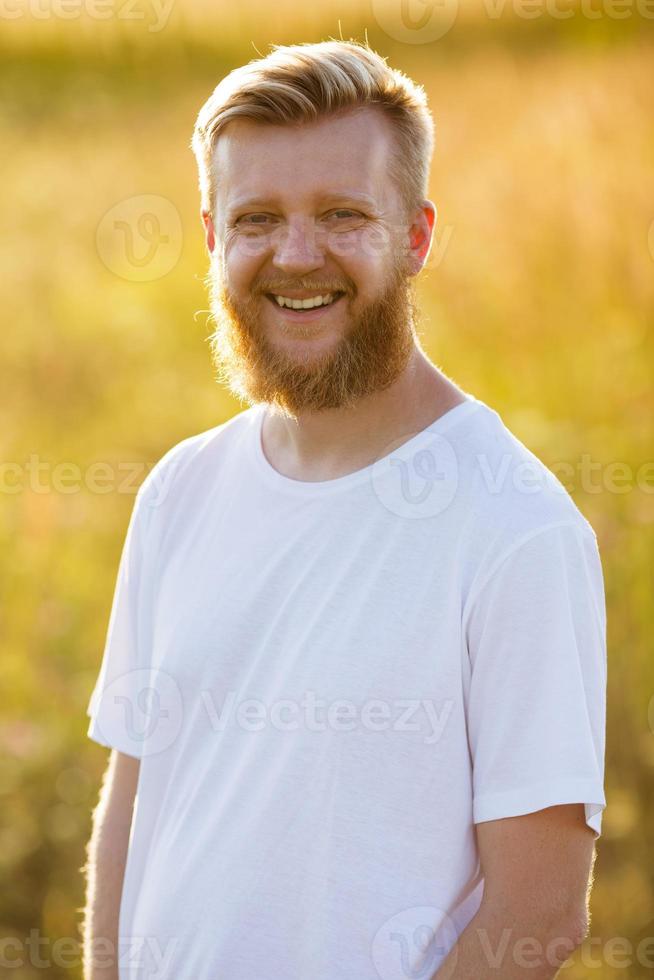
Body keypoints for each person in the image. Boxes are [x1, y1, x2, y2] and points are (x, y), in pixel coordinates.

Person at [82, 39, 607, 980]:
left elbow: (540, 910)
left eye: (342, 215)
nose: (296, 255)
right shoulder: (180, 491)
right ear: (211, 235)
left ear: (416, 233)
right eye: (257, 219)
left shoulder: (513, 526)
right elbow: (131, 805)